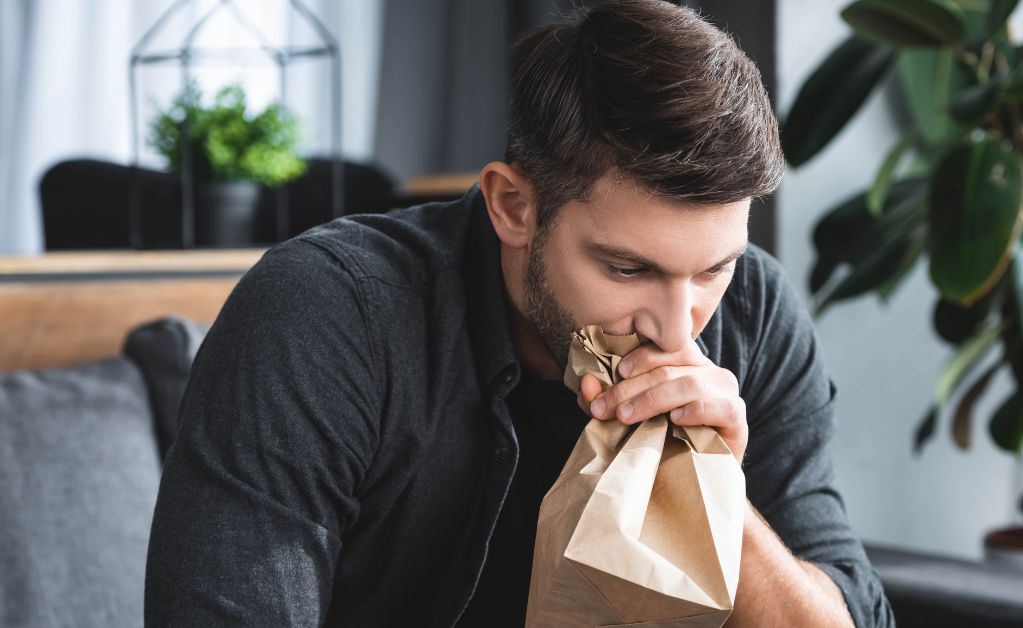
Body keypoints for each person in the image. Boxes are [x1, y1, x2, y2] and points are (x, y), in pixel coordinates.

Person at [144, 1, 895, 626]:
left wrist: (718, 498)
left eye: (712, 269)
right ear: (513, 206)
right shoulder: (325, 315)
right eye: (627, 268)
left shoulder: (756, 310)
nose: (678, 329)